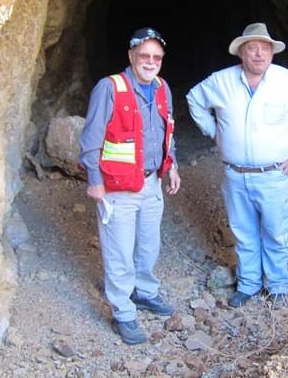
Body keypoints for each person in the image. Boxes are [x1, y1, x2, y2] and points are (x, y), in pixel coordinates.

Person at [186, 23, 288, 308]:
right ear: (241, 53)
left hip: (274, 175)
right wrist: (214, 130)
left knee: (275, 233)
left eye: (264, 49)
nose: (258, 54)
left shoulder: (287, 81)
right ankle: (249, 284)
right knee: (243, 233)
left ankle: (278, 284)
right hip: (236, 175)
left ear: (271, 53)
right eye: (252, 48)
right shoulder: (221, 81)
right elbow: (194, 99)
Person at [79, 27, 181, 344]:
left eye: (157, 57)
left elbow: (168, 132)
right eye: (144, 56)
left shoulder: (162, 88)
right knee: (119, 251)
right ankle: (123, 312)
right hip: (117, 188)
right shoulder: (110, 88)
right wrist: (95, 182)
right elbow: (90, 139)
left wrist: (172, 164)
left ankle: (146, 293)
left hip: (151, 184)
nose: (150, 62)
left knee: (149, 245)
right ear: (131, 57)